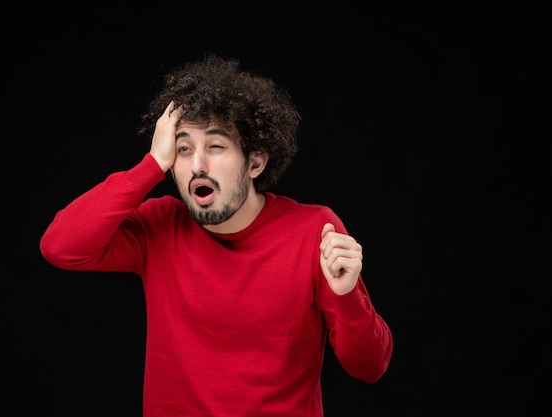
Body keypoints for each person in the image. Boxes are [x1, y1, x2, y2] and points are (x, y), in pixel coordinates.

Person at [39, 53, 393, 416]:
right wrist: (151, 166)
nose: (197, 166)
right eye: (183, 148)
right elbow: (60, 246)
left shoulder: (314, 230)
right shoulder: (158, 226)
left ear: (255, 162)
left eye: (215, 146)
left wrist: (348, 296)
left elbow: (369, 366)